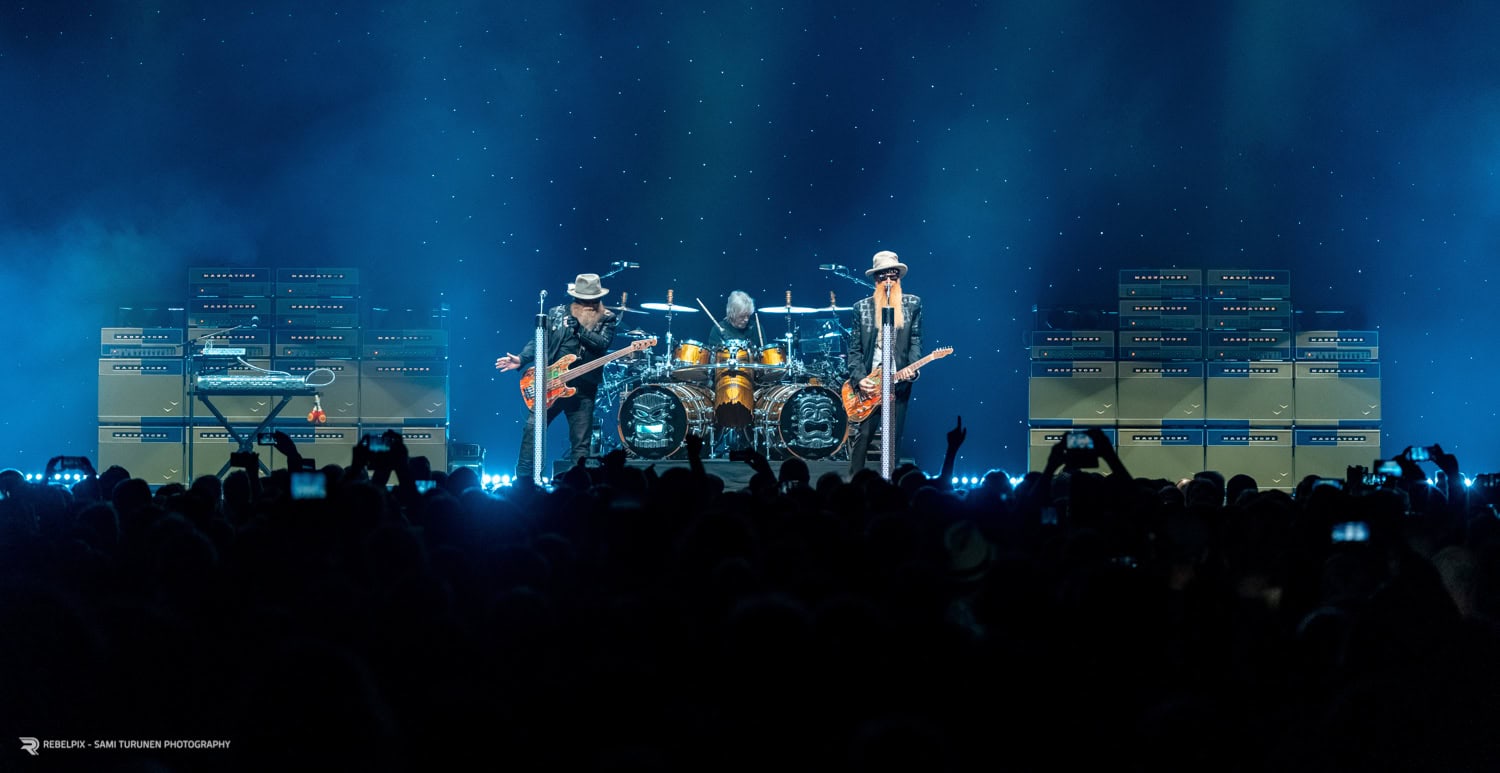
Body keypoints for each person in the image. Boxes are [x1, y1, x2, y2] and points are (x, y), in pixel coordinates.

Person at [495, 273, 619, 480]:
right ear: (576, 299)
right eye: (585, 300)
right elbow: (538, 340)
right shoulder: (556, 313)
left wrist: (579, 330)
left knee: (580, 443)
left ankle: (578, 483)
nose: (590, 305)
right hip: (551, 385)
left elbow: (602, 344)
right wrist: (522, 358)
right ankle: (523, 480)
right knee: (532, 430)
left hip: (583, 389)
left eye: (594, 300)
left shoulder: (607, 317)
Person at [846, 250, 924, 476]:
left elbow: (916, 340)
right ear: (875, 279)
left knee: (893, 439)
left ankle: (890, 483)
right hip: (871, 383)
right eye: (883, 276)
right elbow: (854, 349)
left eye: (893, 275)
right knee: (864, 436)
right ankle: (855, 482)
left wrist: (913, 368)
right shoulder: (861, 308)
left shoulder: (912, 304)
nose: (889, 280)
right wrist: (860, 379)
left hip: (898, 382)